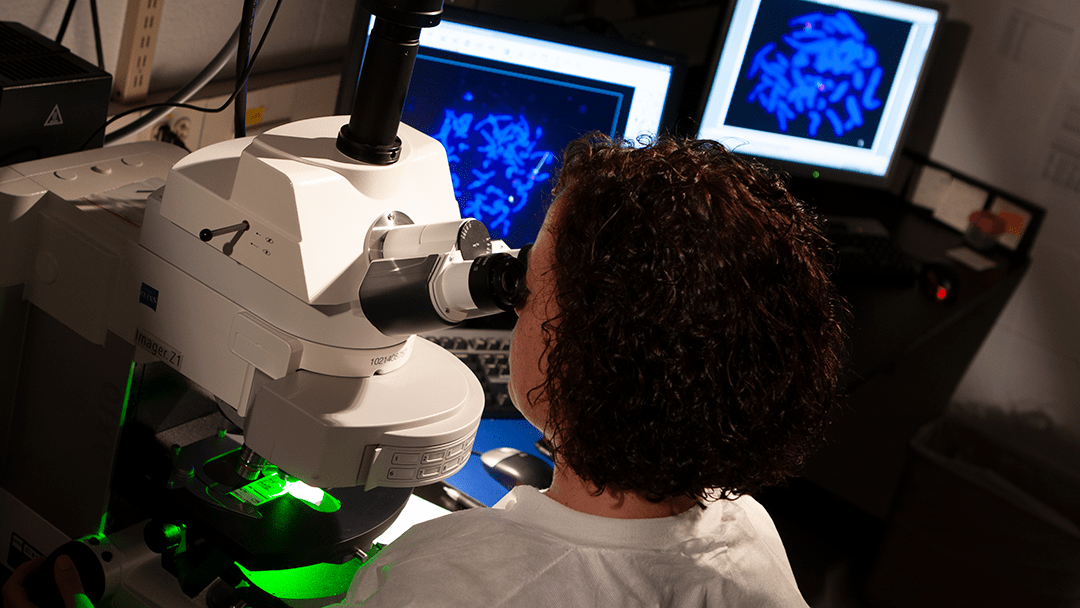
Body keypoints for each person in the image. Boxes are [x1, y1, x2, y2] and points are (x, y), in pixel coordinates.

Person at [332, 133, 848, 606]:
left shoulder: (444, 583)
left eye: (527, 283)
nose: (514, 305)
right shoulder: (748, 532)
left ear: (585, 354)